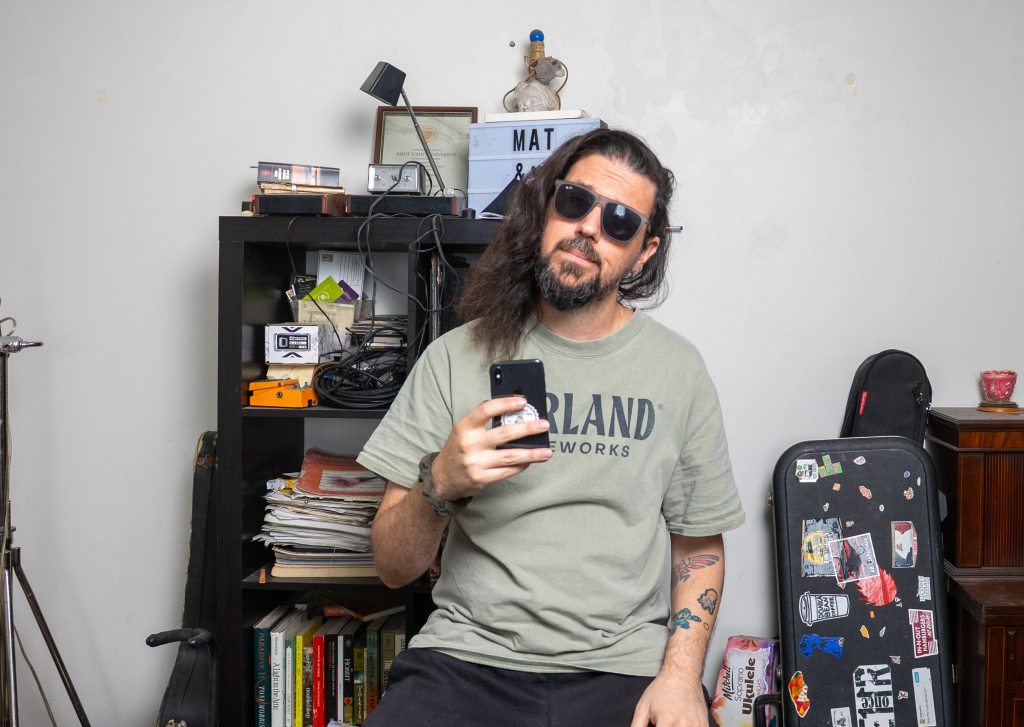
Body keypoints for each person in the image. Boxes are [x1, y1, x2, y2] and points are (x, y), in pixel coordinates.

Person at [356, 128, 745, 727]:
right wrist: (441, 483)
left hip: (624, 668)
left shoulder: (678, 370)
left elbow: (697, 545)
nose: (589, 227)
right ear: (545, 209)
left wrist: (679, 677)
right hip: (467, 658)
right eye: (575, 201)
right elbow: (391, 567)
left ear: (643, 252)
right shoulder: (454, 358)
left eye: (619, 222)